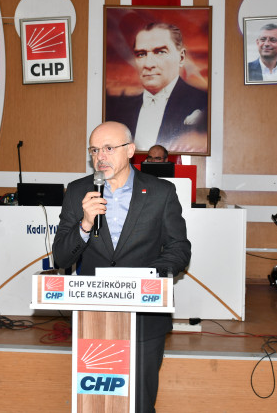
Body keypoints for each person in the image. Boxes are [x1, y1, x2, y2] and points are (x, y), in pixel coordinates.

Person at [52, 121, 191, 412]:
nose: (100, 156)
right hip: (94, 316)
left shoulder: (161, 192)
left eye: (108, 148)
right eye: (94, 150)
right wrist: (85, 224)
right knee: (95, 402)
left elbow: (179, 249)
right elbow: (61, 258)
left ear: (130, 151)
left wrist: (141, 280)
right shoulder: (77, 192)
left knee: (139, 403)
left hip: (144, 315)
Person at [105, 22, 208, 153]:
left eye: (160, 52)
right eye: (141, 54)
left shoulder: (204, 102)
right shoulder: (119, 111)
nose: (148, 64)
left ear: (181, 57)